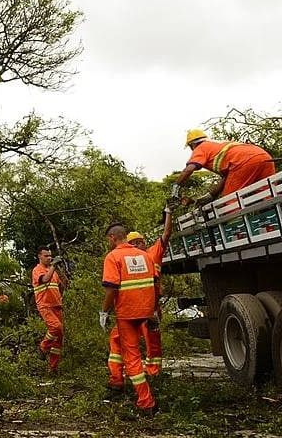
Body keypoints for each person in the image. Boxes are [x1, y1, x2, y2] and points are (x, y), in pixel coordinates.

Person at [100, 224, 160, 416]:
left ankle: (146, 401)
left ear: (112, 238)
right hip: (146, 311)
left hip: (127, 313)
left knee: (132, 357)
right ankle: (117, 379)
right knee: (126, 347)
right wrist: (153, 311)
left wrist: (104, 312)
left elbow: (112, 289)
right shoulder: (145, 256)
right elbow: (156, 285)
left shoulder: (113, 257)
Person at [123, 202, 176, 375]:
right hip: (132, 306)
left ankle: (154, 372)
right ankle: (134, 371)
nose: (138, 245)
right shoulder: (125, 259)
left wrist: (168, 212)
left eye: (140, 242)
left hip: (151, 306)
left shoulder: (153, 253)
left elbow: (166, 234)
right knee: (130, 341)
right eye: (134, 243)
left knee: (152, 340)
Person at [172, 129, 275, 205]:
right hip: (264, 157)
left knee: (231, 202)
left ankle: (237, 231)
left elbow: (189, 169)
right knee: (270, 194)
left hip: (243, 162)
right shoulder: (219, 145)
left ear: (192, 145)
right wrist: (211, 195)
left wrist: (175, 187)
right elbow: (229, 177)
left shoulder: (200, 148)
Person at [31, 247, 68, 373]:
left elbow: (60, 286)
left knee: (59, 339)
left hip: (56, 305)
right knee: (55, 327)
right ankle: (42, 348)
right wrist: (53, 265)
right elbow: (45, 279)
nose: (49, 258)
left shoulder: (54, 272)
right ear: (39, 257)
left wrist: (62, 270)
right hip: (45, 305)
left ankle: (53, 368)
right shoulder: (37, 270)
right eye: (46, 256)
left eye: (50, 256)